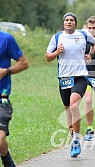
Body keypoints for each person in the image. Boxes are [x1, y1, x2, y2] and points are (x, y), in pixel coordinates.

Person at [45, 12, 95, 157]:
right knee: (68, 109)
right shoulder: (57, 37)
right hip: (64, 78)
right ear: (63, 23)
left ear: (75, 23)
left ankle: (75, 139)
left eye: (71, 20)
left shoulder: (83, 35)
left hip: (80, 76)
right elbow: (47, 57)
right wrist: (57, 52)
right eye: (66, 20)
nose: (69, 22)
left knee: (74, 105)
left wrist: (89, 55)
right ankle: (72, 136)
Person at [0, 31, 29, 167]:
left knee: (0, 140)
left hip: (2, 99)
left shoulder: (6, 39)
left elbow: (23, 63)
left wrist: (6, 71)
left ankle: (8, 162)